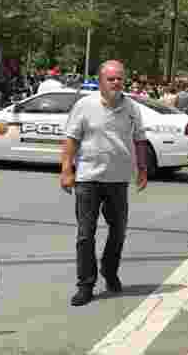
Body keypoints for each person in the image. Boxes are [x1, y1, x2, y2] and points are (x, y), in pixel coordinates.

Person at [60, 60, 148, 307]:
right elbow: (70, 140)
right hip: (88, 178)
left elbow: (139, 139)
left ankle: (110, 271)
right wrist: (66, 170)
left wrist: (142, 169)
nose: (117, 82)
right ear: (101, 81)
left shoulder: (132, 107)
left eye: (120, 78)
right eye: (111, 79)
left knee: (118, 231)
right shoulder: (84, 106)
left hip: (118, 180)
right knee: (85, 234)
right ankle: (85, 284)